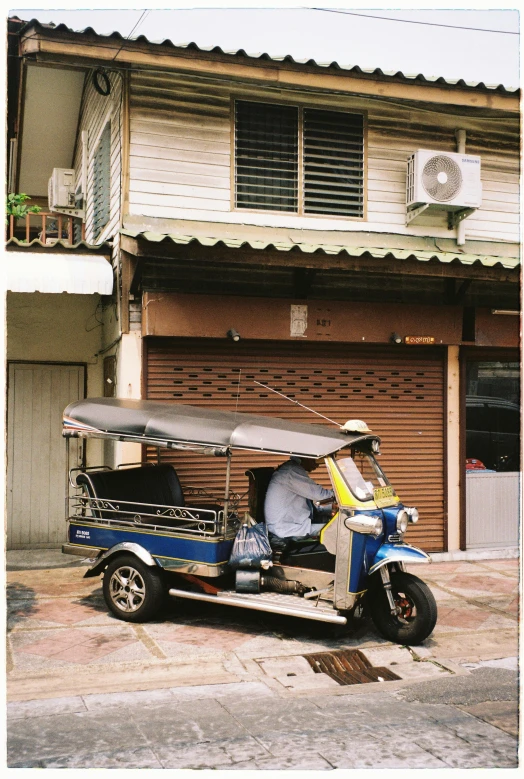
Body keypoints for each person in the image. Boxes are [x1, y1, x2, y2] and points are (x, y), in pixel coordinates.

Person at [264, 455, 335, 540]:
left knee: (332, 520)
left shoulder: (291, 469)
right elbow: (321, 495)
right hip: (288, 529)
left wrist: (331, 507)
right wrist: (341, 494)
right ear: (306, 457)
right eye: (316, 460)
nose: (317, 465)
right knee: (338, 529)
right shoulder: (291, 472)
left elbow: (310, 501)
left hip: (292, 522)